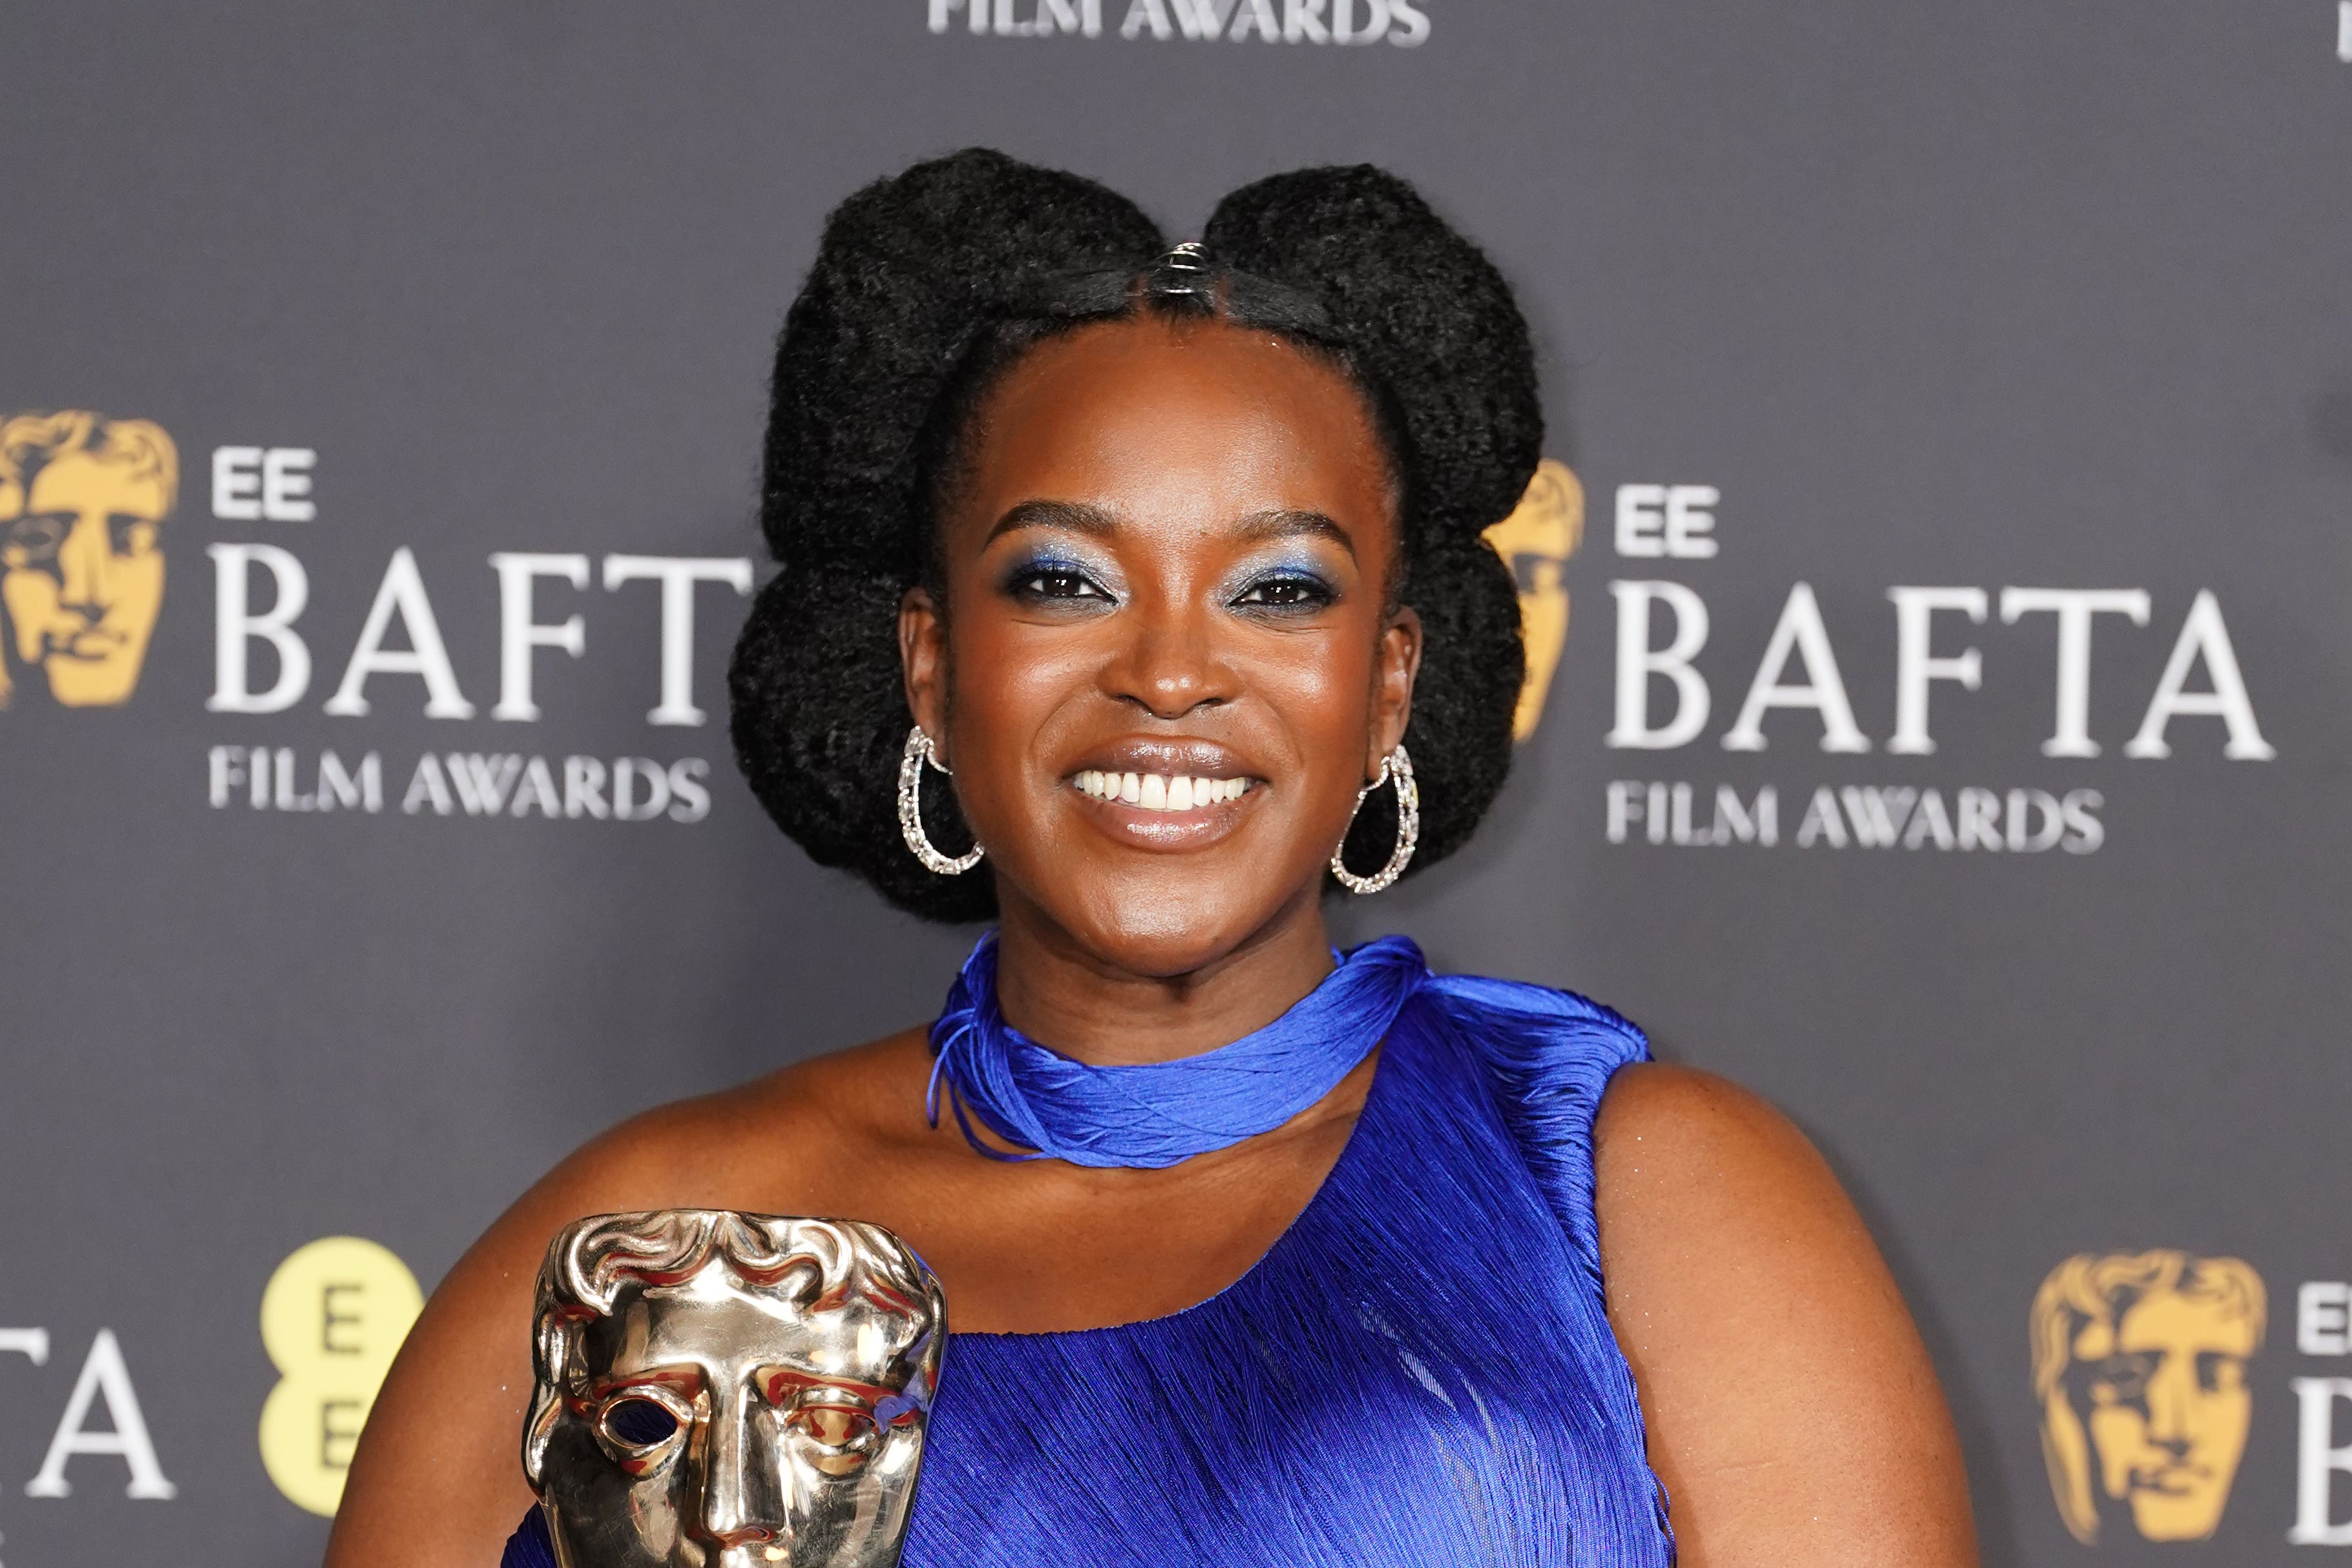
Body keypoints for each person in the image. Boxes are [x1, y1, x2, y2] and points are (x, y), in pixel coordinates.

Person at [329, 149, 1977, 1567]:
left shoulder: (1636, 1195)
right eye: (1061, 579)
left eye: (1279, 589)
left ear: (1390, 680)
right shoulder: (643, 1235)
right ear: (928, 665)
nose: (1172, 671)